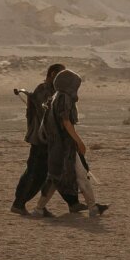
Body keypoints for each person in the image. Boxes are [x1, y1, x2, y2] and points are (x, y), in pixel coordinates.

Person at [12, 63, 83, 215]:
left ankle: (73, 203)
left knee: (58, 171)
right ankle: (18, 204)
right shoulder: (43, 90)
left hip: (52, 140)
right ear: (52, 74)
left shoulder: (57, 92)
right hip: (41, 141)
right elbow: (50, 116)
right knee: (36, 173)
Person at [38, 68, 107, 217]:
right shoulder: (64, 98)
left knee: (56, 177)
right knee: (77, 175)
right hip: (64, 147)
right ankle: (93, 208)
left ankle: (39, 209)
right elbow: (66, 122)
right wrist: (79, 142)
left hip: (58, 146)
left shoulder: (56, 97)